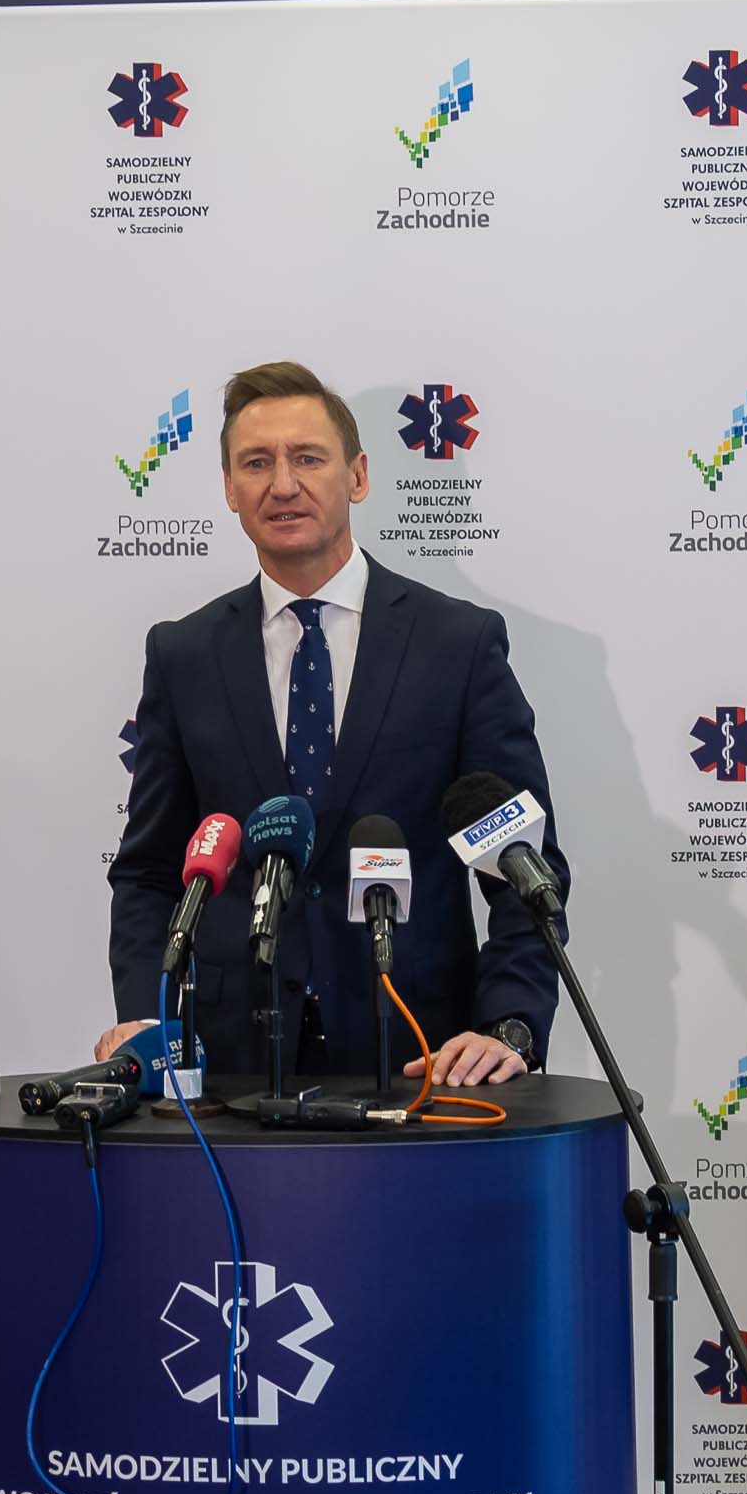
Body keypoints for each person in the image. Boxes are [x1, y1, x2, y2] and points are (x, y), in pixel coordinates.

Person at [100, 361, 565, 1086]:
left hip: (421, 1054)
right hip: (231, 1062)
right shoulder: (183, 654)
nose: (283, 484)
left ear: (358, 476)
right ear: (229, 488)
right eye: (257, 462)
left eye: (308, 458)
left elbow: (522, 867)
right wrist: (146, 1019)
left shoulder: (457, 644)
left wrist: (508, 1024)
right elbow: (149, 871)